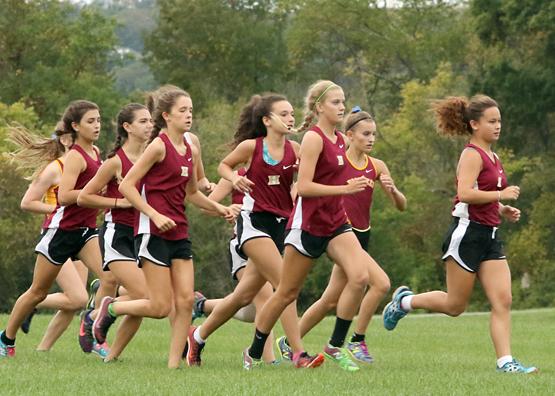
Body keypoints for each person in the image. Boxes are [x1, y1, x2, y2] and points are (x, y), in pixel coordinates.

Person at [382, 95, 538, 374]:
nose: (498, 126)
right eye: (492, 121)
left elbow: (481, 195)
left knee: (503, 300)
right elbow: (464, 194)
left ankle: (506, 363)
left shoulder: (494, 156)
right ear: (474, 124)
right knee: (455, 306)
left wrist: (501, 208)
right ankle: (404, 302)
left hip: (490, 237)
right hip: (467, 236)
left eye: (499, 121)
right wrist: (501, 193)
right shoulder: (471, 155)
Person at [242, 80, 381, 372]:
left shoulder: (342, 140)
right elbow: (304, 187)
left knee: (360, 277)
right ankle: (253, 352)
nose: (342, 107)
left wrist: (357, 184)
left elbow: (338, 177)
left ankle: (335, 345)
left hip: (336, 224)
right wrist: (345, 189)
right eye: (335, 102)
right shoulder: (313, 139)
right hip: (307, 227)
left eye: (343, 101)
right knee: (286, 293)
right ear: (319, 107)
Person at [91, 85, 234, 369]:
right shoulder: (157, 146)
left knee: (184, 301)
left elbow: (192, 194)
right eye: (183, 111)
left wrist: (221, 208)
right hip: (151, 232)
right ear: (167, 116)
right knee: (159, 307)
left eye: (191, 110)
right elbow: (127, 186)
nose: (189, 115)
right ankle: (112, 307)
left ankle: (173, 366)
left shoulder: (191, 148)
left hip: (179, 232)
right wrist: (154, 215)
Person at [186, 94, 302, 367]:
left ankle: (198, 335)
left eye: (292, 113)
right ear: (266, 120)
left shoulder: (295, 149)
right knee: (284, 285)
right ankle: (297, 354)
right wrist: (228, 201)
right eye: (284, 114)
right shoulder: (251, 149)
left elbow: (302, 180)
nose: (291, 118)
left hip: (280, 227)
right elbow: (212, 195)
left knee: (243, 297)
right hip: (250, 226)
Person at [282, 107, 404, 364]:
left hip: (362, 236)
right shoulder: (338, 161)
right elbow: (302, 187)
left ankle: (288, 342)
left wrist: (393, 192)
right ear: (350, 135)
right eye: (366, 134)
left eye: (374, 134)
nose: (371, 139)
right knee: (380, 283)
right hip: (340, 233)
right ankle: (353, 341)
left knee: (329, 300)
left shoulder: (377, 165)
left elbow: (402, 205)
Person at [0, 100, 118, 358]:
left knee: (110, 277)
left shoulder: (96, 152)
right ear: (75, 126)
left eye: (98, 120)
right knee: (37, 292)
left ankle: (92, 327)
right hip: (60, 233)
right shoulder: (74, 157)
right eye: (91, 121)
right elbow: (64, 197)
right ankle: (6, 339)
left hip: (86, 231)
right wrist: (89, 195)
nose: (97, 125)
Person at [5, 122, 92, 353]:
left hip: (82, 234)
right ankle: (28, 309)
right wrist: (53, 210)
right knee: (77, 298)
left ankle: (43, 350)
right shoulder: (55, 168)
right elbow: (27, 202)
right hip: (57, 236)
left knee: (74, 302)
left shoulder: (89, 162)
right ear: (65, 140)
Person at [78, 103, 153, 361]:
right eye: (143, 121)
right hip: (116, 234)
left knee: (145, 303)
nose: (149, 125)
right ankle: (100, 312)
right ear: (127, 127)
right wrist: (119, 202)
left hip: (145, 235)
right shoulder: (114, 162)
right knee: (145, 296)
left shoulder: (154, 157)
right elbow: (84, 197)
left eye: (150, 121)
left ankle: (110, 355)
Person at [192, 169, 277, 363]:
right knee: (265, 297)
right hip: (242, 244)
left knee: (249, 308)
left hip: (271, 242)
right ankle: (269, 359)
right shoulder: (235, 174)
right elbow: (206, 206)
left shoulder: (278, 169)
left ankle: (201, 307)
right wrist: (229, 207)